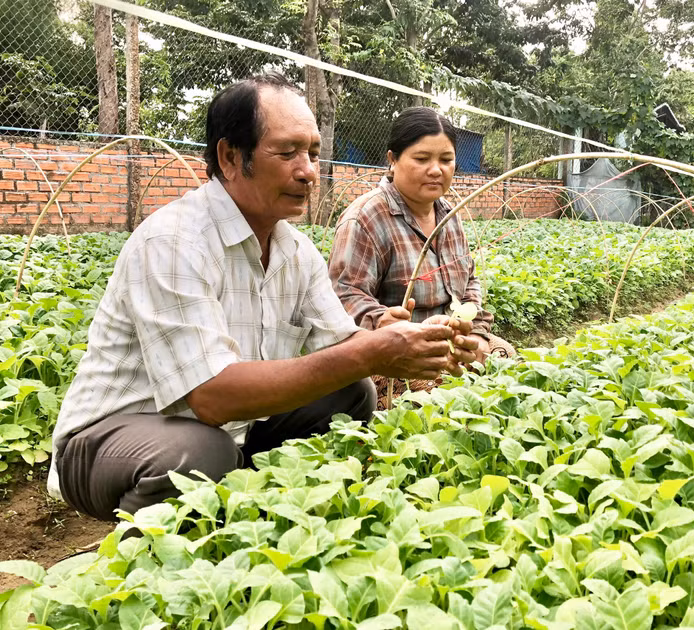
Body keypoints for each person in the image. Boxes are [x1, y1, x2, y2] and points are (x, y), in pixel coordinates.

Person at [47, 75, 479, 522]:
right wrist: (368, 354)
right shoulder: (173, 240)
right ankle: (142, 573)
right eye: (288, 152)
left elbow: (342, 347)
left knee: (352, 392)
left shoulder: (295, 250)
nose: (309, 170)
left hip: (230, 433)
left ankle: (254, 518)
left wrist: (410, 337)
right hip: (108, 440)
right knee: (198, 454)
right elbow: (212, 399)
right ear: (231, 157)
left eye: (312, 153)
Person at [328, 106, 515, 407]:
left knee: (504, 360)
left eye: (446, 160)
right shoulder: (367, 218)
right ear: (393, 160)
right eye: (421, 158)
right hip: (396, 354)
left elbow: (470, 281)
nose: (436, 170)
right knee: (432, 400)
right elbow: (344, 296)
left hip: (451, 344)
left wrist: (474, 333)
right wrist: (382, 321)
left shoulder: (449, 215)